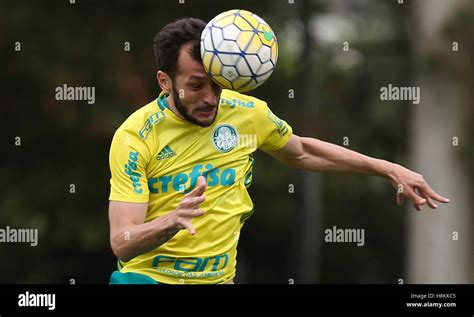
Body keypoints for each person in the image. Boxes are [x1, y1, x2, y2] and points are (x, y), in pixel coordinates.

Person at [107, 18, 449, 285]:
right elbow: (122, 241)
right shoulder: (136, 137)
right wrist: (170, 221)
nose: (210, 98)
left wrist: (387, 168)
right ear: (165, 82)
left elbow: (300, 151)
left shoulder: (247, 114)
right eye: (196, 86)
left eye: (217, 83)